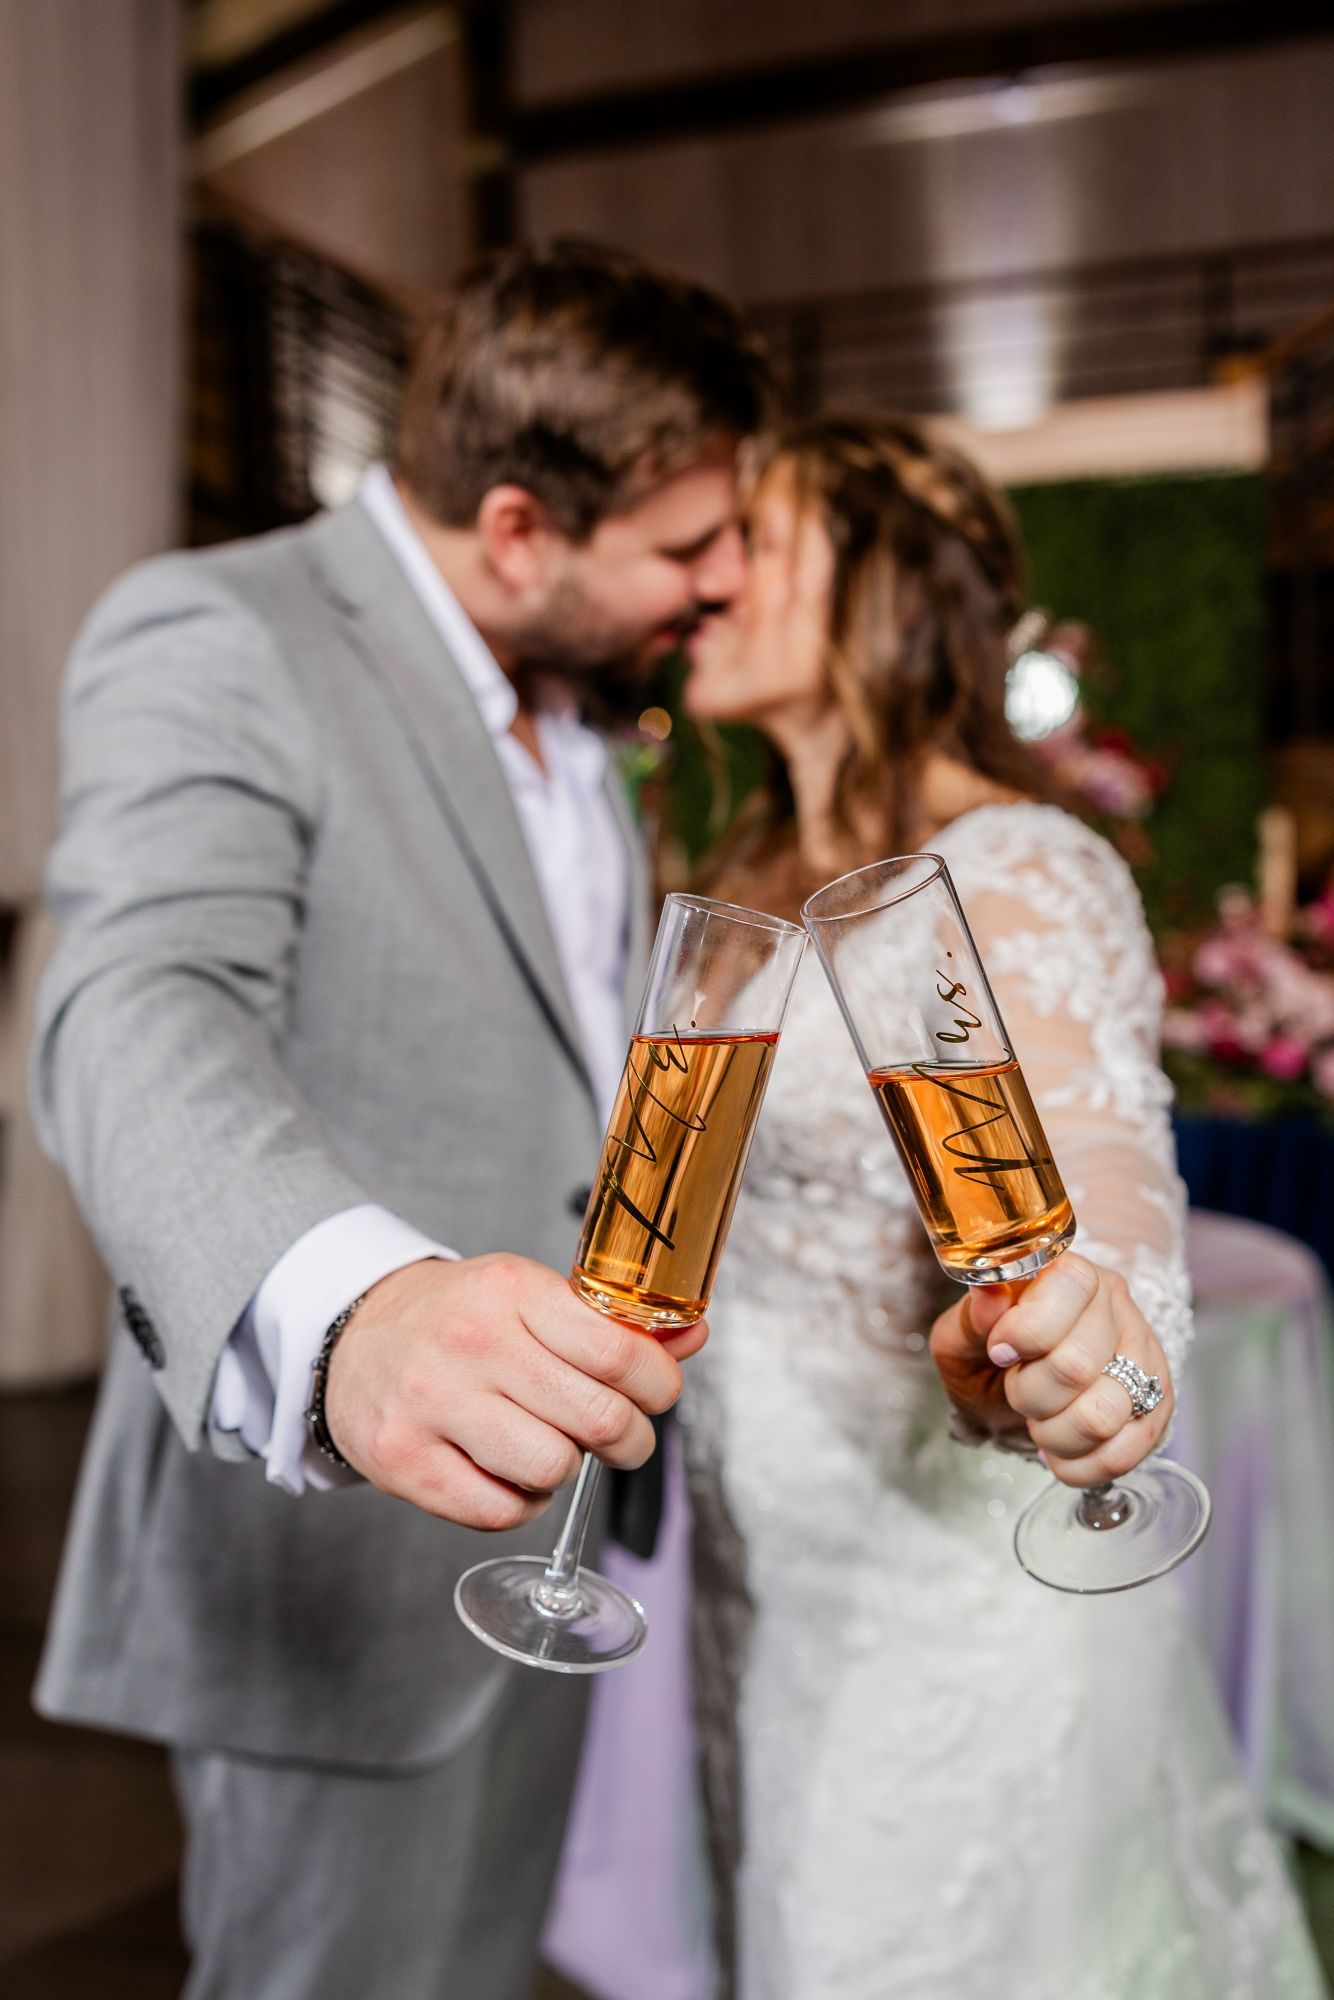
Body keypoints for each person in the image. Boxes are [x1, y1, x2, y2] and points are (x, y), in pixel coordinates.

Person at [31, 241, 769, 2000]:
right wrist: (353, 1304)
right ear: (517, 529)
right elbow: (134, 1002)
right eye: (687, 548)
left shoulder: (589, 716)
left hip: (555, 1522)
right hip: (341, 1555)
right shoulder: (224, 628)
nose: (729, 583)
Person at [679, 414, 1325, 1997]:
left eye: (750, 539)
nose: (705, 575)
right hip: (760, 1582)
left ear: (880, 589)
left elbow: (1094, 1166)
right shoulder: (747, 866)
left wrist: (1100, 1324)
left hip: (935, 1614)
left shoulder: (1019, 865)